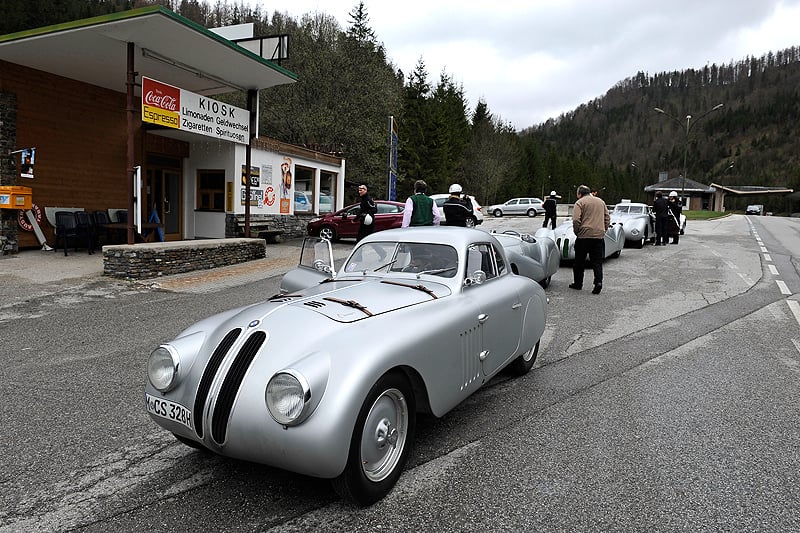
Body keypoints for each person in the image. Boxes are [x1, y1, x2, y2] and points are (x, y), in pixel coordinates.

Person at [569, 185, 610, 295]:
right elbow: (607, 217)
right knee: (597, 262)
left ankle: (578, 283)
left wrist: (577, 232)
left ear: (579, 194)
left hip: (584, 236)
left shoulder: (580, 203)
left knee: (579, 261)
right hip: (598, 236)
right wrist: (603, 229)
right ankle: (598, 282)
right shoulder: (600, 201)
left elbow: (576, 220)